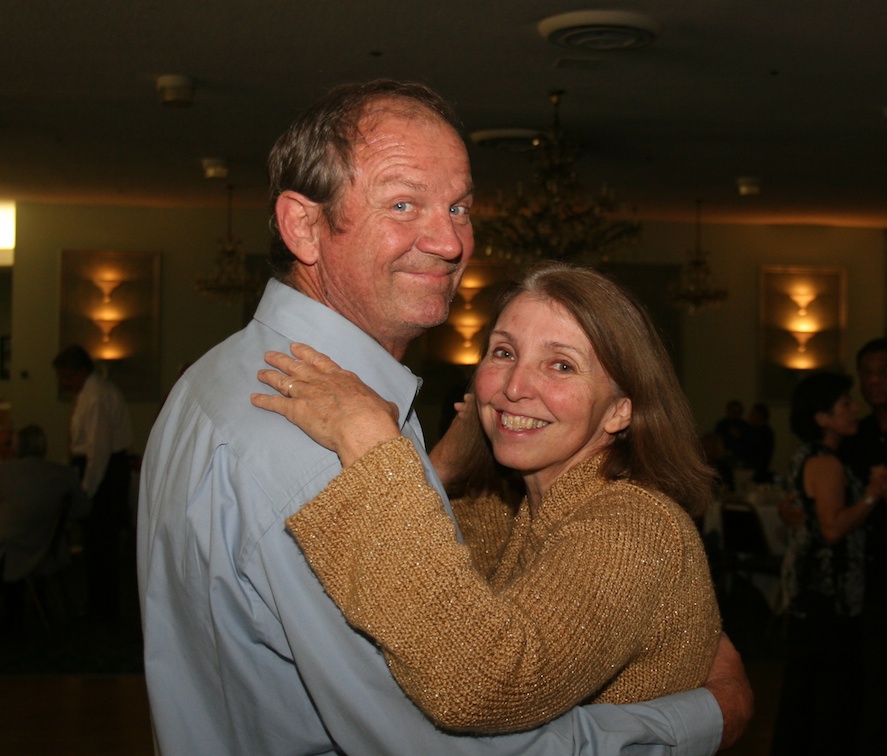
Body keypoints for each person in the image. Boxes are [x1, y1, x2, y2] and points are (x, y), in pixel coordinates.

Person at [137, 79, 751, 755]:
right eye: (404, 203)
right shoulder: (326, 447)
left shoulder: (216, 381)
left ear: (624, 407)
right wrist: (702, 718)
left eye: (459, 206)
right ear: (304, 226)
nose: (450, 240)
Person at [252, 262, 722, 734]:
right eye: (503, 352)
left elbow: (485, 688)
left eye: (561, 365)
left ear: (621, 410)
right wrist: (442, 464)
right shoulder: (506, 507)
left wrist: (370, 441)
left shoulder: (635, 526)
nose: (515, 387)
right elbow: (421, 588)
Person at [771, 372, 887, 755]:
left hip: (817, 600)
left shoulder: (817, 455)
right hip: (828, 600)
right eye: (845, 404)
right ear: (822, 417)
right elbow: (832, 528)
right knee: (828, 703)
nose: (854, 408)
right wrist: (873, 495)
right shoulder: (825, 461)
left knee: (808, 697)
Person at [840, 337, 887, 754]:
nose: (875, 381)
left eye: (886, 371)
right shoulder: (854, 438)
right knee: (866, 675)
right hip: (862, 578)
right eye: (867, 373)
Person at [53, 345, 132, 623]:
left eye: (66, 377)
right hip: (102, 471)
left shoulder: (97, 396)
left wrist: (85, 491)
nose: (63, 383)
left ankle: (104, 610)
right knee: (97, 545)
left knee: (102, 545)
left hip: (104, 477)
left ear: (79, 372)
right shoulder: (89, 393)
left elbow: (98, 452)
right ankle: (100, 605)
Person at [0, 425, 89, 631]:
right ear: (44, 448)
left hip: (12, 551)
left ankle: (13, 613)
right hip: (48, 550)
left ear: (15, 448)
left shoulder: (5, 473)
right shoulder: (64, 475)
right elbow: (83, 509)